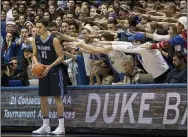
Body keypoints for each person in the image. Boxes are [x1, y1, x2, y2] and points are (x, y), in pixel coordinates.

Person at [32, 19, 66, 135]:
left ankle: (61, 127)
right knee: (42, 97)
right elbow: (34, 55)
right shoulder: (36, 40)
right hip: (42, 70)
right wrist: (37, 63)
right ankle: (46, 126)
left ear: (46, 27)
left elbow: (61, 57)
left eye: (40, 27)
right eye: (36, 27)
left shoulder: (54, 39)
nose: (37, 29)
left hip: (55, 69)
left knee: (57, 97)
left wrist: (49, 67)